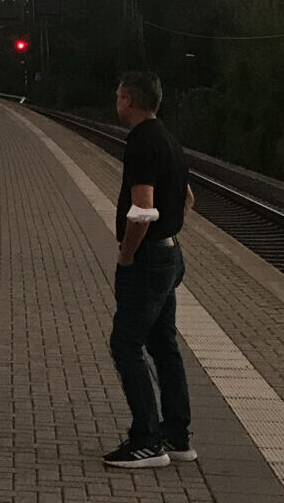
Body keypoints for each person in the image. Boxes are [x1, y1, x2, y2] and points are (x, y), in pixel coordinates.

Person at [103, 70, 196, 470]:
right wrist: (168, 232)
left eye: (119, 95)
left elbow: (141, 211)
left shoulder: (141, 143)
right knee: (163, 345)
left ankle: (147, 440)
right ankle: (177, 436)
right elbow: (188, 198)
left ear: (130, 101)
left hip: (148, 261)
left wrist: (127, 254)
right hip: (169, 254)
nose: (117, 101)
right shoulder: (169, 140)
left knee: (125, 345)